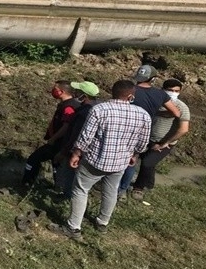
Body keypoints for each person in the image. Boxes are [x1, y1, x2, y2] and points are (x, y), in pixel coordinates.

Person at [49, 80, 150, 240]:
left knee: (81, 190)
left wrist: (76, 153)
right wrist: (135, 155)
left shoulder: (99, 109)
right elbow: (143, 142)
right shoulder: (142, 114)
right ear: (131, 95)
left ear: (112, 92)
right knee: (111, 191)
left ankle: (73, 227)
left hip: (95, 160)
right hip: (120, 162)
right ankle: (102, 222)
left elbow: (86, 136)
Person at [118, 64, 181, 199]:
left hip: (125, 126)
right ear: (153, 79)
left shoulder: (130, 90)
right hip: (144, 130)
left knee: (120, 156)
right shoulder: (160, 94)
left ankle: (112, 185)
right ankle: (122, 190)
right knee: (132, 159)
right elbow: (176, 112)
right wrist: (157, 113)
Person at [130, 79, 190, 200]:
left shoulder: (182, 107)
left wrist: (165, 143)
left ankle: (139, 188)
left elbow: (183, 129)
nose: (173, 93)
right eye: (170, 90)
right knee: (140, 161)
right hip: (146, 138)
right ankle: (149, 185)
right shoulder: (155, 102)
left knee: (147, 163)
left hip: (165, 143)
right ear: (163, 91)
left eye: (176, 91)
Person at [22, 80, 81, 186]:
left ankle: (27, 181)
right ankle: (57, 186)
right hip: (59, 142)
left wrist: (53, 139)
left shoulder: (68, 107)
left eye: (55, 89)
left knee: (34, 159)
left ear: (61, 91)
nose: (52, 91)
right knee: (56, 164)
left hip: (59, 143)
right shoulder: (66, 104)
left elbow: (66, 126)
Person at [54, 81, 101, 196]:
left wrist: (64, 152)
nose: (74, 93)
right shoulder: (98, 108)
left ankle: (66, 196)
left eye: (78, 92)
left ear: (84, 96)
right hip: (92, 151)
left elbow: (75, 135)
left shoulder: (84, 112)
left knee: (70, 174)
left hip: (77, 150)